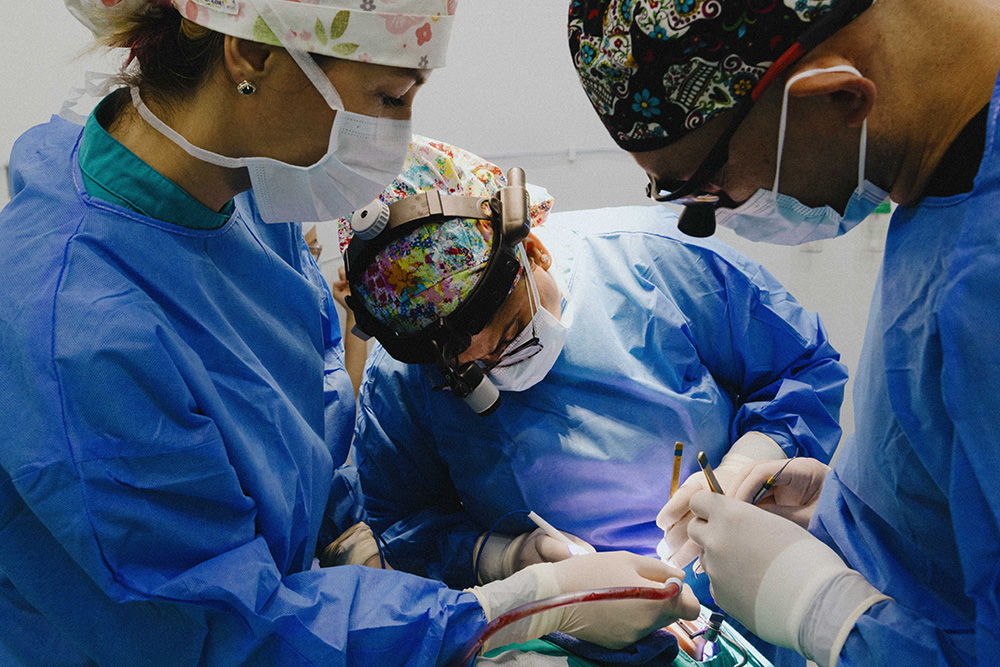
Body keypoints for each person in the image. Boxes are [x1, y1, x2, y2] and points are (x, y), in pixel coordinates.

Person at [0, 1, 702, 665]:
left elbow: (312, 428)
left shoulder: (246, 198)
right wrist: (516, 608)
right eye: (390, 97)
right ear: (250, 53)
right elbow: (217, 628)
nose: (396, 143)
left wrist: (372, 549)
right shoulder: (80, 331)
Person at [568, 0, 1000, 665]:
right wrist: (857, 511)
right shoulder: (943, 180)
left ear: (837, 96)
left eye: (711, 186)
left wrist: (823, 608)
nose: (711, 217)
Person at [343, 137, 846, 608]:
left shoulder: (657, 262)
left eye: (513, 331)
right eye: (469, 370)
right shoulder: (401, 377)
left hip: (729, 594)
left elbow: (801, 370)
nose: (497, 367)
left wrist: (746, 469)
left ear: (533, 251)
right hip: (550, 628)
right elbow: (400, 523)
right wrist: (505, 558)